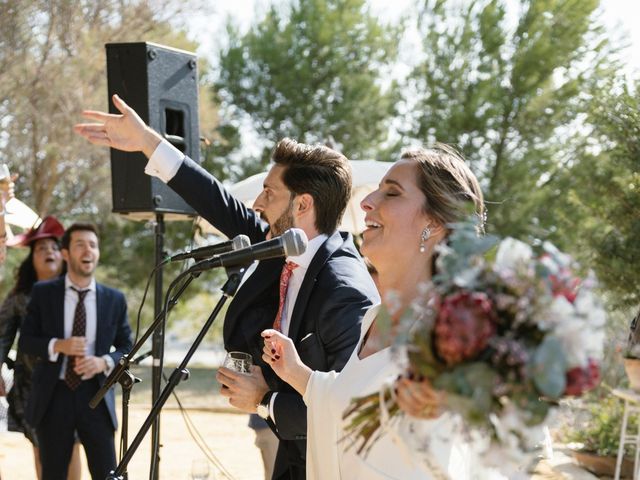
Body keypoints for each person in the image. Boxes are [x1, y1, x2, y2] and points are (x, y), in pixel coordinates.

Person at [74, 94, 379, 480]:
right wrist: (147, 141)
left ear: (302, 205)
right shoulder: (281, 243)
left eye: (269, 192)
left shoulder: (345, 288)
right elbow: (215, 200)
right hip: (293, 455)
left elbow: (351, 409)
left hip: (329, 464)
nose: (256, 204)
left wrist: (264, 400)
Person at [260, 145, 487, 479]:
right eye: (377, 189)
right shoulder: (372, 319)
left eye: (392, 193)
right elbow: (353, 400)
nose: (366, 201)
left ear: (435, 222)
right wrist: (301, 376)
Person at [18, 223, 133, 480]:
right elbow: (25, 341)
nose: (88, 250)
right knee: (54, 474)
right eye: (80, 244)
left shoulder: (114, 299)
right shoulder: (43, 293)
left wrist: (103, 362)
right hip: (53, 396)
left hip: (97, 395)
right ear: (66, 254)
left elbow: (128, 346)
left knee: (108, 473)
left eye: (93, 245)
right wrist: (57, 345)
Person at [0, 217, 83, 480]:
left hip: (73, 384)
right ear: (31, 259)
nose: (48, 252)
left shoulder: (79, 290)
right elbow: (2, 338)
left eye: (54, 247)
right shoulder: (19, 297)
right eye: (40, 249)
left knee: (72, 446)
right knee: (42, 449)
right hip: (32, 388)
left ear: (64, 256)